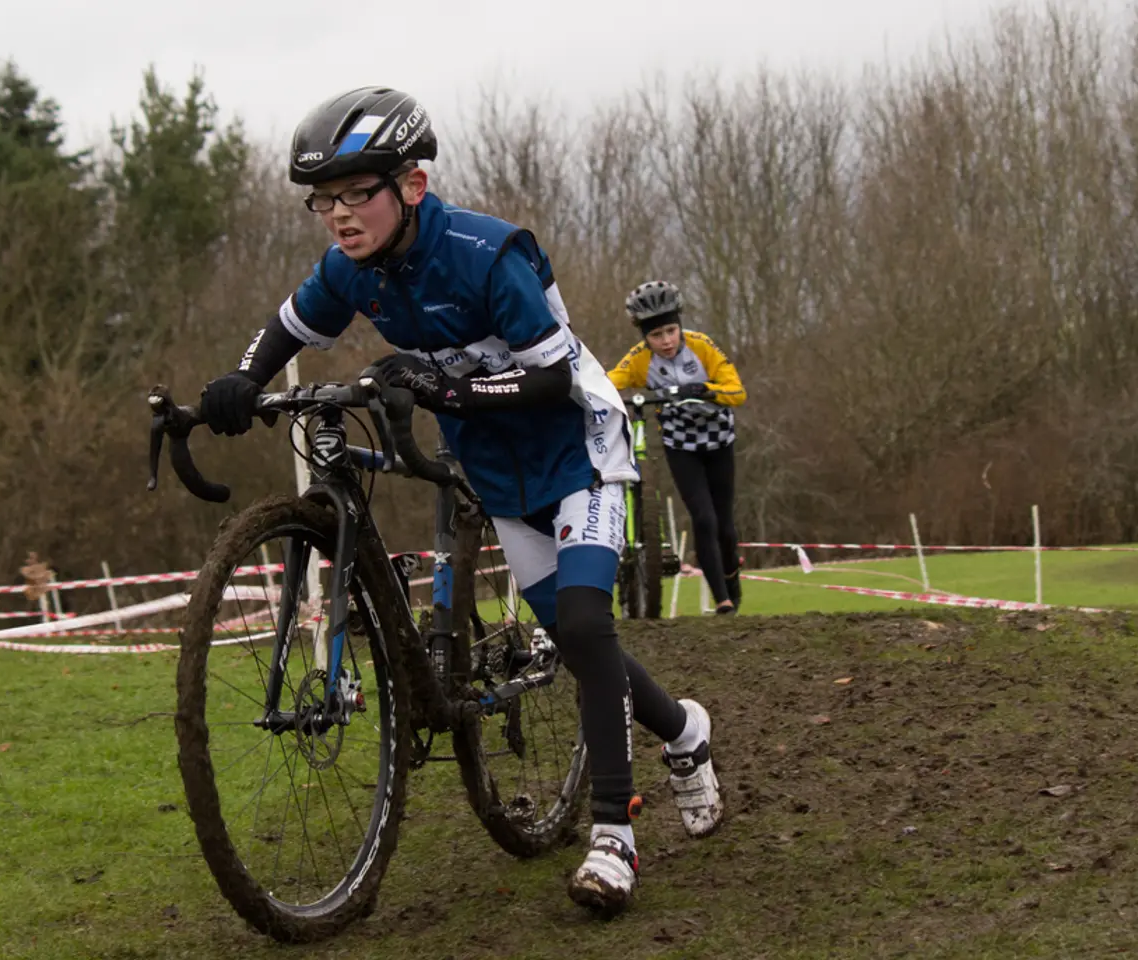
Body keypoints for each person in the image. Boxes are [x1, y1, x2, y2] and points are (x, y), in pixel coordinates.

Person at [195, 87, 723, 913]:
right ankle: (685, 732)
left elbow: (549, 372)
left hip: (575, 449)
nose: (336, 215)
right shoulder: (353, 269)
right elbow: (291, 325)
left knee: (585, 623)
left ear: (411, 184)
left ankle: (613, 837)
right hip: (498, 470)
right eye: (322, 199)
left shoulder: (488, 252)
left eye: (354, 194)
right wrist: (239, 381)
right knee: (577, 643)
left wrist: (442, 384)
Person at [608, 282, 747, 614]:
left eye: (671, 330)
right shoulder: (640, 359)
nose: (666, 341)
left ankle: (732, 580)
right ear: (644, 336)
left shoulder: (702, 347)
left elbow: (737, 392)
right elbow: (611, 379)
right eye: (656, 335)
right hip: (680, 445)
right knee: (703, 518)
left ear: (680, 325)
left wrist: (705, 389)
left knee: (725, 525)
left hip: (718, 441)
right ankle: (722, 600)